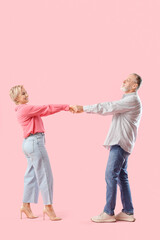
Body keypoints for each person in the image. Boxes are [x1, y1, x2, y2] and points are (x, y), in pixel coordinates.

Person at [72, 73, 142, 223]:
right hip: (123, 143)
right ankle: (128, 212)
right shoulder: (129, 100)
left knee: (110, 175)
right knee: (122, 176)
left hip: (120, 143)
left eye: (128, 80)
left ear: (135, 86)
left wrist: (83, 108)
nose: (124, 80)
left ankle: (108, 212)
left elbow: (108, 107)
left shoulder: (132, 100)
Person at [9, 85, 76, 221]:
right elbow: (47, 108)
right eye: (23, 94)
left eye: (26, 92)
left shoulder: (20, 110)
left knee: (31, 175)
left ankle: (25, 205)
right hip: (35, 143)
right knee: (45, 175)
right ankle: (48, 207)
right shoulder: (26, 109)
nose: (26, 95)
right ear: (16, 98)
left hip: (28, 144)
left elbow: (44, 110)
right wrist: (67, 107)